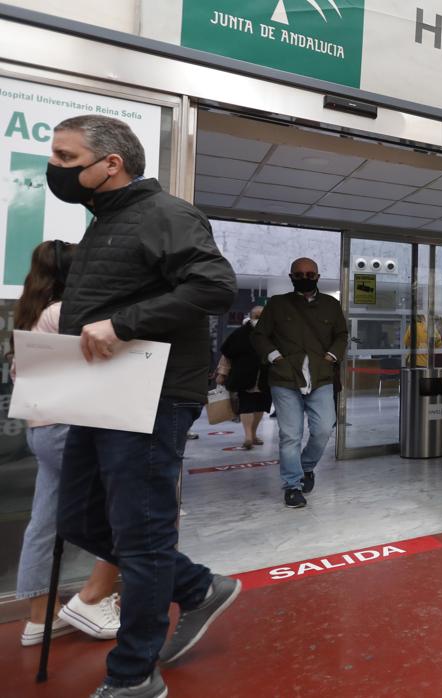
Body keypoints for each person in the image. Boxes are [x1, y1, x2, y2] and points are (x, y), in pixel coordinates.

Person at [47, 114, 239, 696]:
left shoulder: (166, 214)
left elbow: (215, 285)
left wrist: (124, 324)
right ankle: (198, 586)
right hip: (100, 390)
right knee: (80, 518)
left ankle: (133, 677)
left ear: (111, 164)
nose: (54, 170)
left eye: (64, 158)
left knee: (141, 533)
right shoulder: (104, 223)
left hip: (151, 394)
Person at [12, 241, 122, 649]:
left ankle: (41, 615)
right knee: (124, 507)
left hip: (42, 428)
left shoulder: (34, 314)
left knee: (43, 522)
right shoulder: (64, 313)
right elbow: (106, 353)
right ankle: (92, 600)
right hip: (69, 427)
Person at [252, 258, 348, 509]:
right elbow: (260, 335)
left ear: (317, 276)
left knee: (324, 429)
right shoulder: (277, 304)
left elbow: (341, 335)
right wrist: (276, 358)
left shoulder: (331, 305)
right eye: (299, 274)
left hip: (321, 377)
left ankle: (306, 467)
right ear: (291, 276)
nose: (304, 277)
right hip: (285, 378)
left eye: (310, 273)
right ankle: (292, 486)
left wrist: (331, 357)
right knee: (290, 435)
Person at [217, 306, 271, 449]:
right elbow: (227, 355)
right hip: (244, 376)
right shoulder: (240, 333)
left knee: (260, 407)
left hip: (265, 378)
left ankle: (253, 434)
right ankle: (248, 436)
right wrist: (222, 373)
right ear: (251, 316)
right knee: (246, 406)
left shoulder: (272, 334)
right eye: (257, 316)